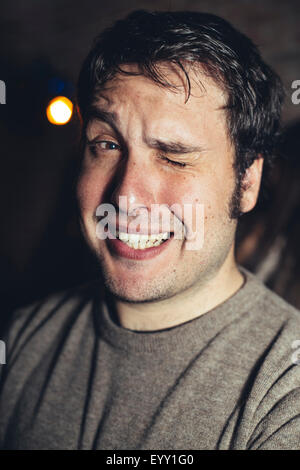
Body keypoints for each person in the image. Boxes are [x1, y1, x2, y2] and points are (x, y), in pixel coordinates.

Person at [0, 10, 300, 450]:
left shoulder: (284, 393)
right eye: (107, 145)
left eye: (175, 156)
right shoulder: (27, 333)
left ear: (246, 183)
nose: (126, 197)